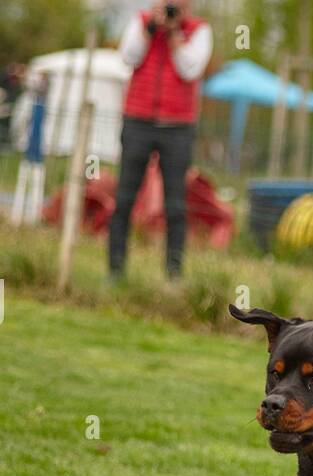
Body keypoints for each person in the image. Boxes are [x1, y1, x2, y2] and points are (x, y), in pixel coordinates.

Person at [109, 0, 212, 280]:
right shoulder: (141, 22)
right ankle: (115, 272)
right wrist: (150, 29)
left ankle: (173, 275)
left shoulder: (199, 31)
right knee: (124, 200)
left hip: (178, 128)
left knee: (176, 205)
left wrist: (175, 36)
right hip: (138, 121)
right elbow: (128, 57)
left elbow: (190, 70)